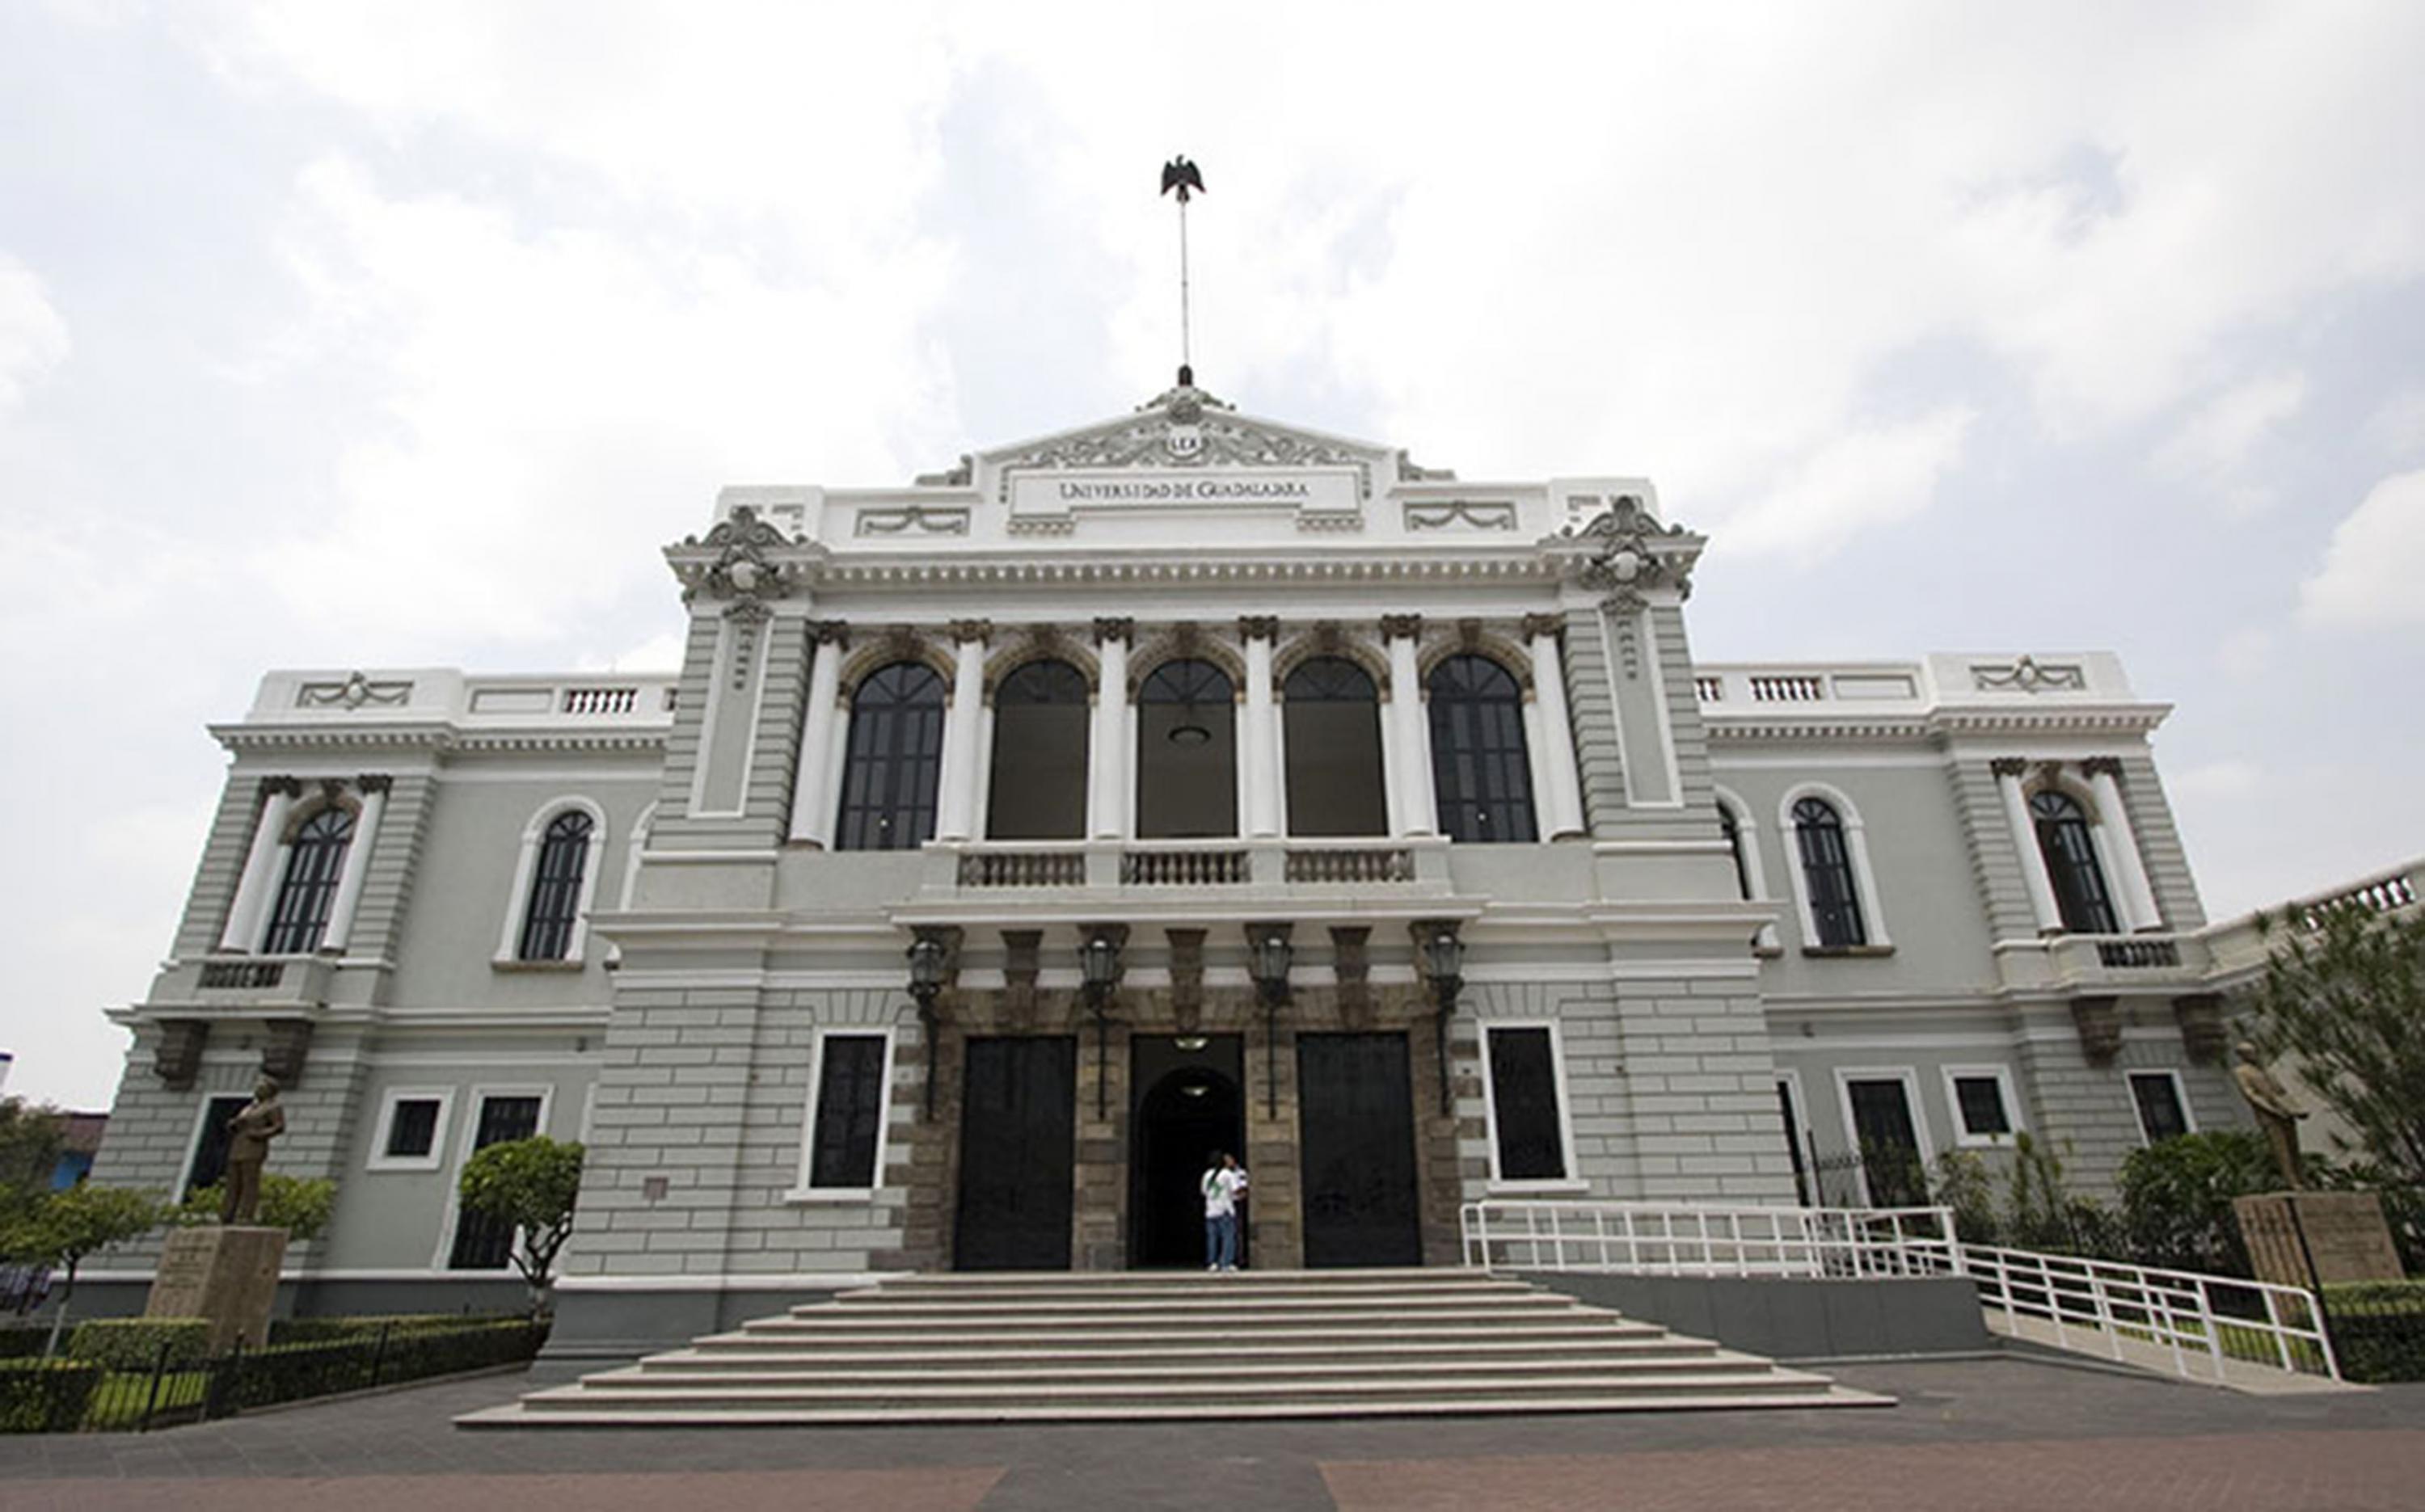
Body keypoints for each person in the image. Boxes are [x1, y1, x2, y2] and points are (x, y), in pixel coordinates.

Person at [220, 1076, 287, 1225]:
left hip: (254, 1148)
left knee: (249, 1182)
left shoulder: (272, 1107)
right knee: (233, 1182)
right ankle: (227, 1214)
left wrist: (259, 1134)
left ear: (270, 1091)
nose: (257, 1089)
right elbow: (236, 1124)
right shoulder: (249, 1108)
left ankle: (245, 1215)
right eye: (257, 1087)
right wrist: (234, 1124)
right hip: (238, 1146)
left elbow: (279, 1127)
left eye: (261, 1087)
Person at [1201, 1150, 1248, 1272]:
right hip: (1225, 1210)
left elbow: (1204, 1192)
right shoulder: (1227, 1174)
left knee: (1212, 1238)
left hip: (1210, 1210)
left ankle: (1212, 1262)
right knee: (1228, 1237)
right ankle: (1226, 1262)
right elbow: (1235, 1190)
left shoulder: (1207, 1175)